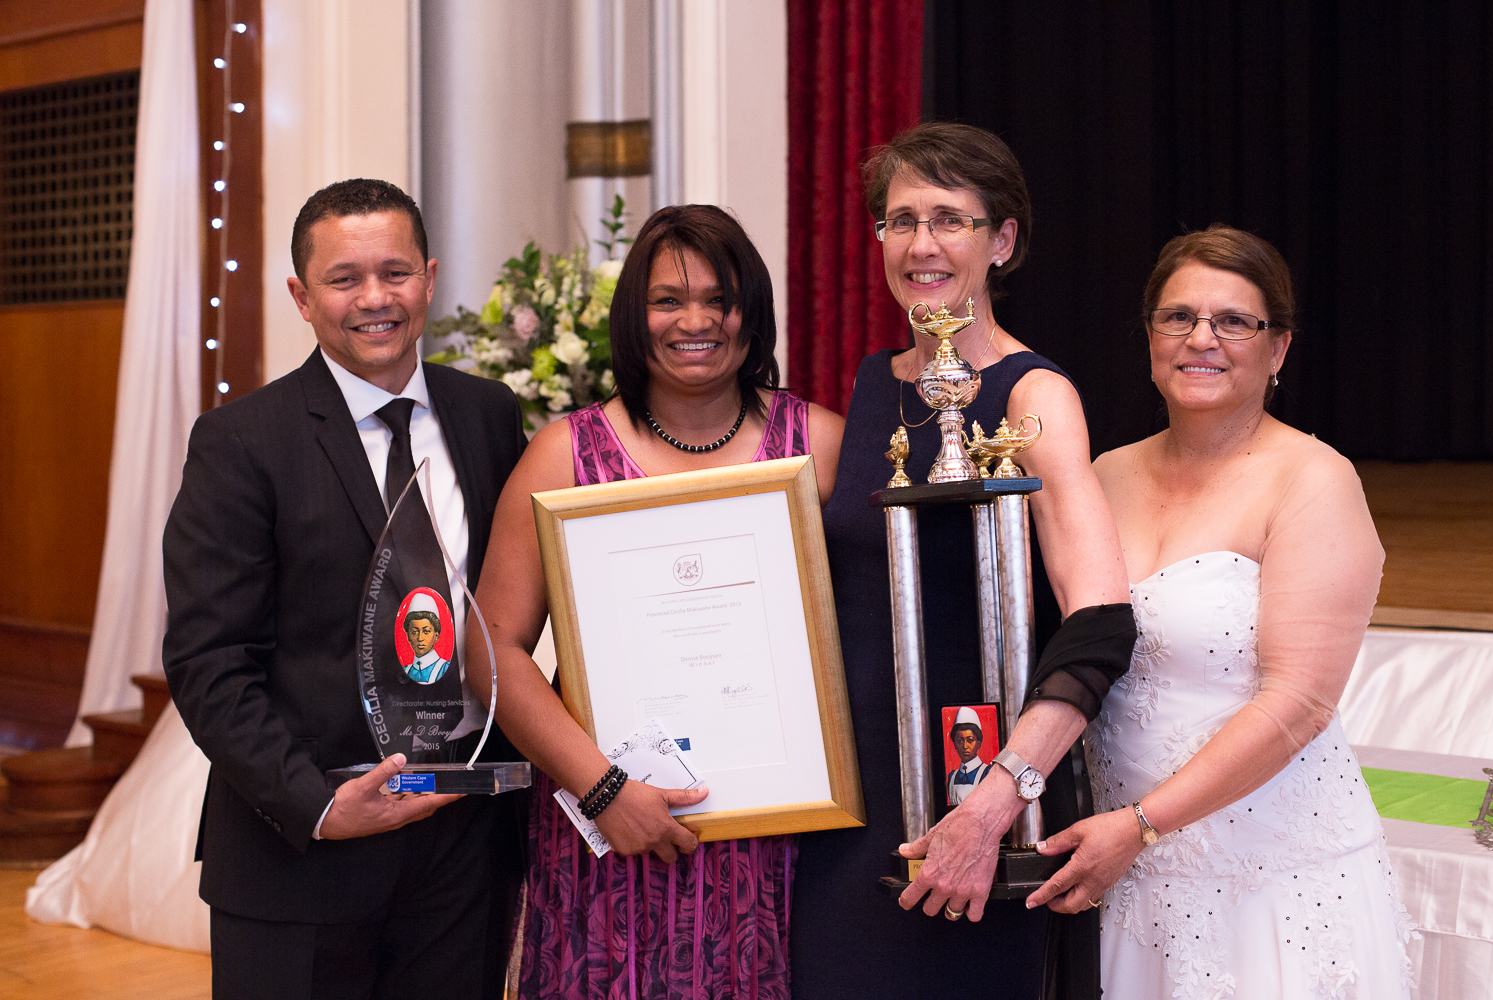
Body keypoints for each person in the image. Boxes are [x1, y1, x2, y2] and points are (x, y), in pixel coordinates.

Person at [790, 122, 1137, 1000]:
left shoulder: (1034, 393)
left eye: (950, 219)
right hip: (854, 818)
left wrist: (995, 803)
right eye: (900, 221)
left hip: (982, 805)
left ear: (1003, 240)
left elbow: (1098, 622)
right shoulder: (872, 384)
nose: (921, 244)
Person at [1028, 225, 1418, 997]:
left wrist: (1141, 825)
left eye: (1234, 321)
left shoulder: (1314, 480)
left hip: (1271, 885)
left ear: (1277, 350)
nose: (1201, 338)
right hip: (1128, 883)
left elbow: (1299, 703)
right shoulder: (1105, 473)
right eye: (1178, 317)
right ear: (1149, 337)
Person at [162, 178, 528, 999]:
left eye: (395, 273)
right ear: (301, 295)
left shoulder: (489, 415)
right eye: (344, 278)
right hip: (302, 850)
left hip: (463, 845)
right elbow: (207, 659)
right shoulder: (240, 442)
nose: (375, 299)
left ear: (430, 277)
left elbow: (512, 615)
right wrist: (320, 806)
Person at [469, 204, 844, 999]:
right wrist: (603, 789)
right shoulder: (562, 456)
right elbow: (490, 648)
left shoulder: (821, 446)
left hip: (781, 833)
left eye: (720, 297)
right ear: (634, 319)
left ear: (754, 311)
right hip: (607, 825)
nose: (697, 321)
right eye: (668, 301)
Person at [945, 706, 995, 806]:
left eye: (970, 740)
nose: (965, 746)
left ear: (979, 743)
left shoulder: (987, 772)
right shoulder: (952, 777)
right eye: (959, 741)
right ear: (954, 744)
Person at [402, 594, 451, 684]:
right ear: (408, 636)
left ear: (436, 635)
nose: (420, 638)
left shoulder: (445, 669)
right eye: (414, 632)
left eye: (426, 631)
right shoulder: (406, 670)